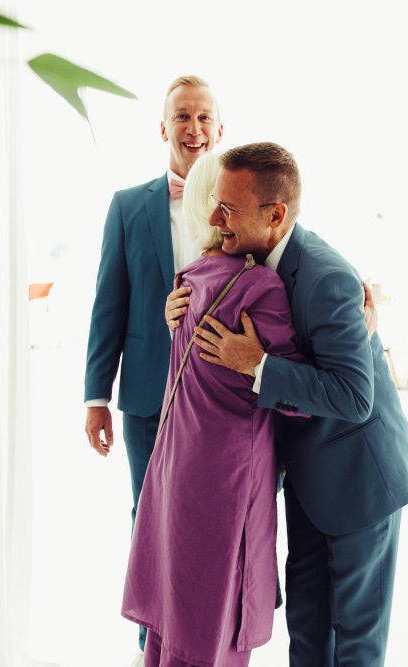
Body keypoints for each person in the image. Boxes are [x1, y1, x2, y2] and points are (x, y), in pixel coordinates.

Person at [168, 142, 408, 666]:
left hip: (358, 480)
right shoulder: (251, 263)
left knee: (356, 640)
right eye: (215, 204)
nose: (214, 220)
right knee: (306, 627)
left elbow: (354, 396)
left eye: (228, 209)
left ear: (276, 215)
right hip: (306, 481)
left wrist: (258, 365)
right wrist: (176, 312)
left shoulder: (330, 278)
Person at [122, 149, 305, 667]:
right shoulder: (261, 287)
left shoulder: (191, 276)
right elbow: (300, 403)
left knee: (175, 607)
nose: (220, 215)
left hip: (175, 466)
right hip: (225, 480)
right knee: (214, 614)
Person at [83, 75, 222, 657]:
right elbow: (108, 304)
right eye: (182, 117)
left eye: (204, 117)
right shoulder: (127, 206)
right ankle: (152, 645)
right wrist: (96, 395)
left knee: (208, 524)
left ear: (219, 129)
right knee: (150, 521)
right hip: (146, 397)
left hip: (220, 398)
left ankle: (204, 642)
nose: (194, 128)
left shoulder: (237, 201)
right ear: (163, 128)